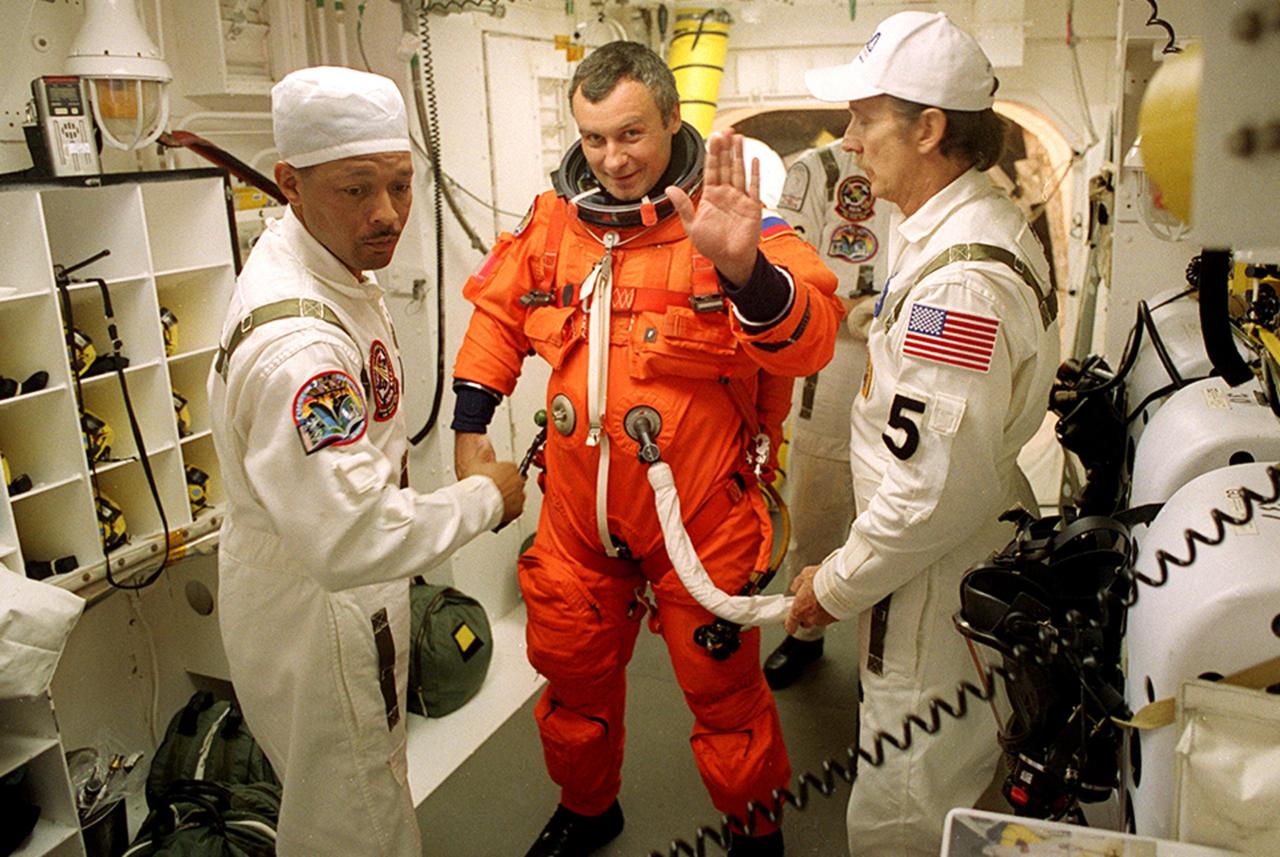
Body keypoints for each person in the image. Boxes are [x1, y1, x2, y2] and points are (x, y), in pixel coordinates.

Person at [450, 41, 842, 857]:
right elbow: (496, 313)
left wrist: (745, 273)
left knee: (725, 699)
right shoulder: (554, 224)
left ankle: (755, 832)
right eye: (593, 140)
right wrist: (471, 425)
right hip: (577, 518)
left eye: (631, 134)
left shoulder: (734, 224)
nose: (613, 159)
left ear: (672, 118)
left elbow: (811, 339)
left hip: (698, 515)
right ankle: (591, 810)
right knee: (572, 683)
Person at [206, 66, 525, 857]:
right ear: (291, 184)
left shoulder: (330, 266)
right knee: (353, 821)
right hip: (322, 605)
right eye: (356, 190)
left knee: (350, 794)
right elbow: (352, 538)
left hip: (319, 584)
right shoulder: (300, 349)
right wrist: (484, 497)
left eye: (400, 184)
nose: (387, 213)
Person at [785, 11, 1061, 857]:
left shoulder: (960, 288)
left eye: (867, 117)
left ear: (930, 127)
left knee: (901, 807)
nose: (851, 137)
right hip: (942, 560)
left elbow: (931, 494)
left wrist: (834, 585)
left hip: (929, 585)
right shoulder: (957, 227)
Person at [764, 141, 889, 689]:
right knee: (817, 502)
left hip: (903, 347)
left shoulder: (932, 172)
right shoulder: (817, 171)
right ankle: (803, 631)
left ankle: (878, 657)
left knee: (890, 509)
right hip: (834, 353)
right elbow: (784, 268)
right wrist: (847, 311)